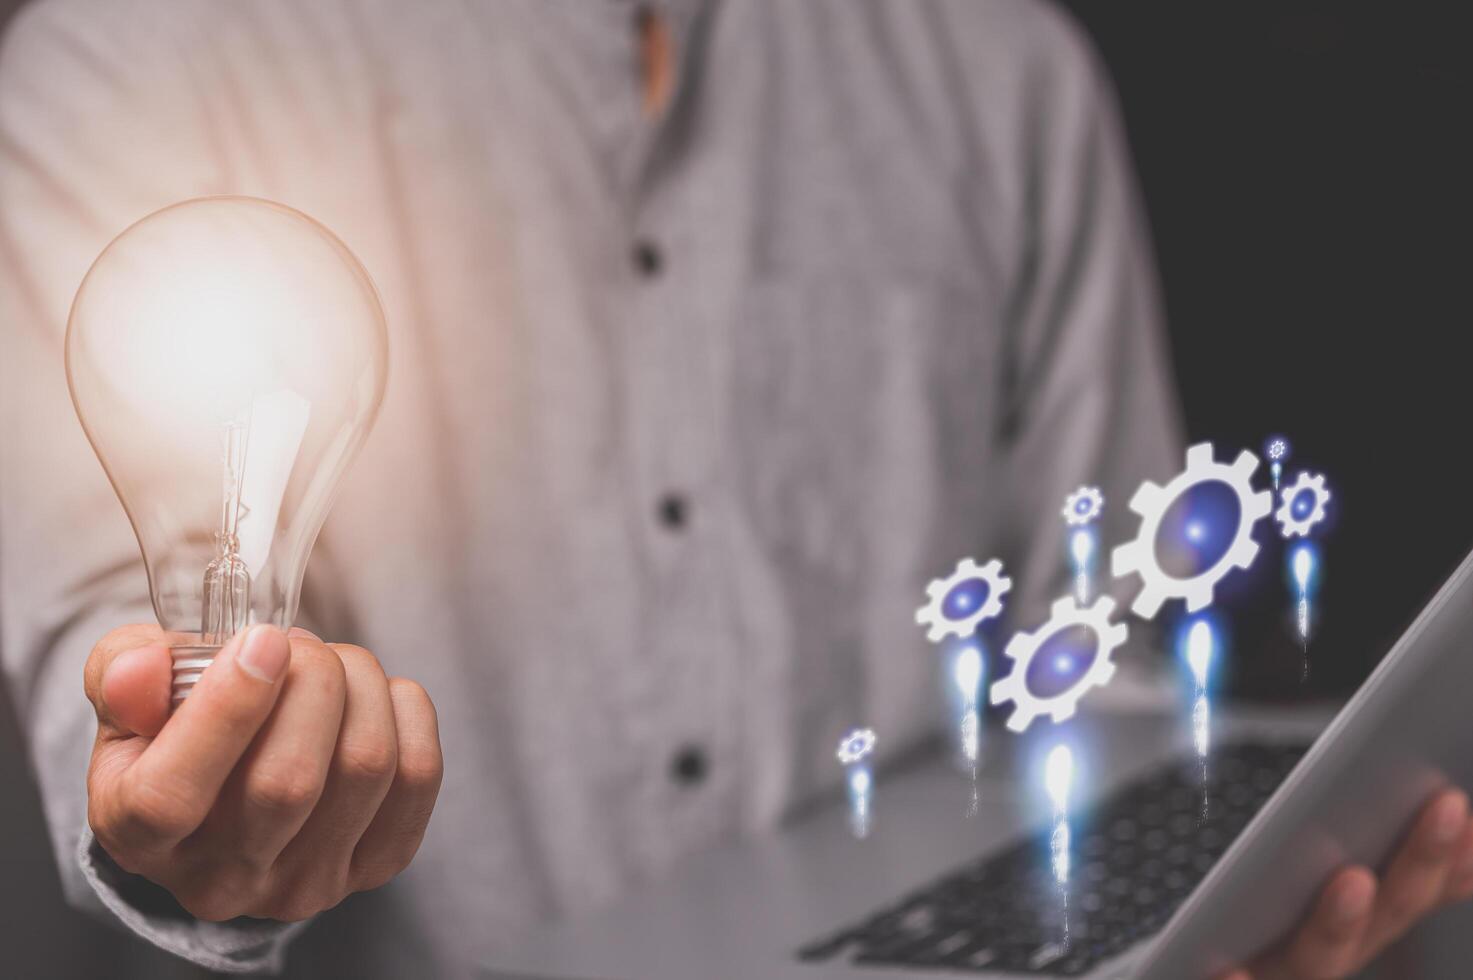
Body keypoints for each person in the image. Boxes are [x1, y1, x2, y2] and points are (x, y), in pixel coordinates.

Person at [0, 1, 1466, 977]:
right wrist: (205, 810)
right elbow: (109, 649)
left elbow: (1111, 654)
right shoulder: (131, 61)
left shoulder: (997, 68)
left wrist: (1189, 903)